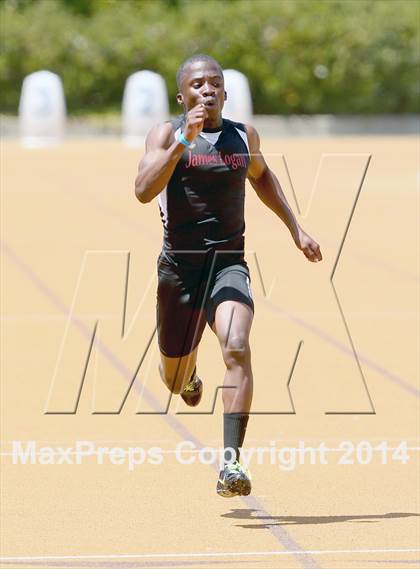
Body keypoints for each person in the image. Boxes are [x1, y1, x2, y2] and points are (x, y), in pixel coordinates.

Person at [135, 54, 322, 497]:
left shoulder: (243, 136)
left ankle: (231, 464)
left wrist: (296, 227)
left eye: (214, 82)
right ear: (182, 96)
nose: (207, 89)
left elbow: (262, 177)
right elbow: (143, 190)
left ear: (225, 91)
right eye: (197, 84)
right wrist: (185, 138)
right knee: (175, 381)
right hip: (179, 271)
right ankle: (189, 373)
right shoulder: (166, 133)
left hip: (228, 264)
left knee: (237, 346)